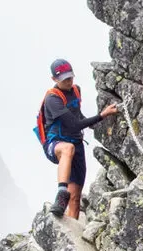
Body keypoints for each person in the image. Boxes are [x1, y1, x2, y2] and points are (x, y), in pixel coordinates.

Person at [39, 58, 118, 219]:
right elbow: (74, 125)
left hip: (76, 144)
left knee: (75, 198)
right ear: (54, 79)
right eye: (64, 79)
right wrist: (101, 115)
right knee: (68, 149)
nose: (69, 81)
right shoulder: (52, 99)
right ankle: (61, 192)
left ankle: (72, 229)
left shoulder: (76, 90)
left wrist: (95, 124)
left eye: (70, 77)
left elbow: (77, 116)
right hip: (55, 143)